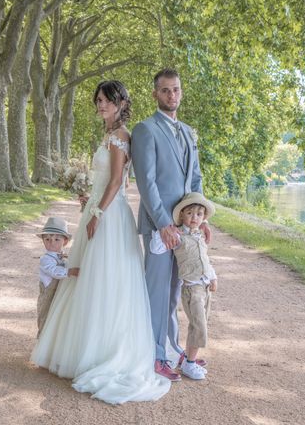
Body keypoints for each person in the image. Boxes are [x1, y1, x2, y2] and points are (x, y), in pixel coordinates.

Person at [31, 80, 170, 404]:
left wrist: (97, 213)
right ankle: (81, 349)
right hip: (99, 208)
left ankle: (102, 352)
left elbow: (118, 181)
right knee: (87, 276)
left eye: (106, 100)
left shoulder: (121, 137)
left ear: (121, 102)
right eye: (98, 101)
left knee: (104, 279)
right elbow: (105, 181)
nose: (101, 106)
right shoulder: (108, 136)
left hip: (110, 216)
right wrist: (90, 200)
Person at [131, 68, 210, 382]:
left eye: (176, 89)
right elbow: (146, 182)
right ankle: (154, 355)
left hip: (185, 228)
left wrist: (200, 219)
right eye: (165, 90)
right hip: (159, 226)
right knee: (158, 291)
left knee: (177, 291)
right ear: (155, 94)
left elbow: (195, 179)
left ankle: (173, 348)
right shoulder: (145, 130)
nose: (171, 96)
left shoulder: (189, 132)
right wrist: (164, 223)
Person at [150, 192, 217, 380]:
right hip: (191, 288)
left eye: (199, 214)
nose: (194, 217)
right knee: (199, 326)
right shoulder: (179, 237)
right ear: (181, 216)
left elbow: (205, 259)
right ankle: (189, 364)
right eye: (190, 213)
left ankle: (189, 358)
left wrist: (213, 277)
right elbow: (157, 248)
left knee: (201, 323)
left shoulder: (200, 236)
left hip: (204, 286)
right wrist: (162, 230)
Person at [34, 217, 78, 338]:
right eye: (47, 239)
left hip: (58, 293)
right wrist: (70, 272)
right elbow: (53, 271)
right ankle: (42, 338)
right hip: (48, 295)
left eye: (57, 239)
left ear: (65, 241)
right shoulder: (45, 259)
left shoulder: (62, 257)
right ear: (43, 241)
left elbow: (64, 264)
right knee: (45, 316)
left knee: (57, 317)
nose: (52, 242)